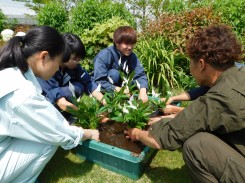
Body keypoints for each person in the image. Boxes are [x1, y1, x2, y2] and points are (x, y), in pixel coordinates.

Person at [125, 25, 245, 182]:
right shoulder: (239, 73)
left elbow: (163, 138)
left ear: (201, 64)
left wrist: (137, 133)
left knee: (196, 146)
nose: (190, 68)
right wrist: (175, 113)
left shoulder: (220, 97)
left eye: (191, 63)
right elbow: (206, 116)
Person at [0, 26, 99, 183]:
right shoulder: (22, 94)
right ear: (44, 57)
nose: (58, 68)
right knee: (49, 140)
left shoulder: (10, 72)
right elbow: (58, 131)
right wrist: (89, 133)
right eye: (58, 62)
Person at [37, 33, 105, 122]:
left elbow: (89, 83)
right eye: (74, 59)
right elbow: (60, 101)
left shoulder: (75, 67)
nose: (76, 62)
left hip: (62, 98)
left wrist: (105, 102)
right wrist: (86, 117)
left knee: (78, 86)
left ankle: (69, 113)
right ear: (62, 54)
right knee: (69, 91)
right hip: (45, 104)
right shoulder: (48, 69)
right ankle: (62, 116)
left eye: (79, 59)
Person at [92, 26, 148, 103]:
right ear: (117, 43)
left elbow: (140, 75)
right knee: (114, 74)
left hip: (125, 88)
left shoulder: (132, 56)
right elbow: (98, 81)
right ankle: (108, 101)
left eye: (132, 44)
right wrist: (117, 89)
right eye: (126, 44)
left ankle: (129, 100)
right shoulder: (105, 55)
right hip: (106, 89)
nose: (130, 47)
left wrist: (143, 91)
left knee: (138, 82)